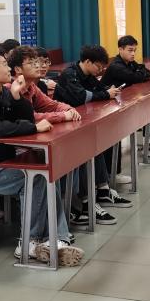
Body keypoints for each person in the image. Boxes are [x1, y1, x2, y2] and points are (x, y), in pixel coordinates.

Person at [0, 46, 83, 266]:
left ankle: (57, 237)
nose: (9, 69)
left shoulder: (2, 92)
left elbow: (25, 116)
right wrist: (32, 128)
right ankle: (29, 242)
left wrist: (16, 96)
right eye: (4, 64)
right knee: (35, 178)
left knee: (47, 173)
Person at [54, 44, 123, 225]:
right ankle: (87, 202)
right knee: (85, 151)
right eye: (98, 66)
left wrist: (106, 92)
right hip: (64, 127)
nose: (100, 71)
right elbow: (81, 97)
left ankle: (103, 189)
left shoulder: (89, 75)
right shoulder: (70, 74)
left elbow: (99, 89)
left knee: (95, 145)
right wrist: (105, 94)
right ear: (87, 61)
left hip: (79, 120)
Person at [103, 35, 150, 160]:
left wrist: (139, 73)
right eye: (130, 50)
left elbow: (147, 72)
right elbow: (135, 77)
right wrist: (139, 74)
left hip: (124, 100)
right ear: (120, 49)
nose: (133, 54)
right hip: (110, 105)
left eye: (134, 50)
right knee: (148, 106)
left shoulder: (130, 63)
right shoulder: (116, 66)